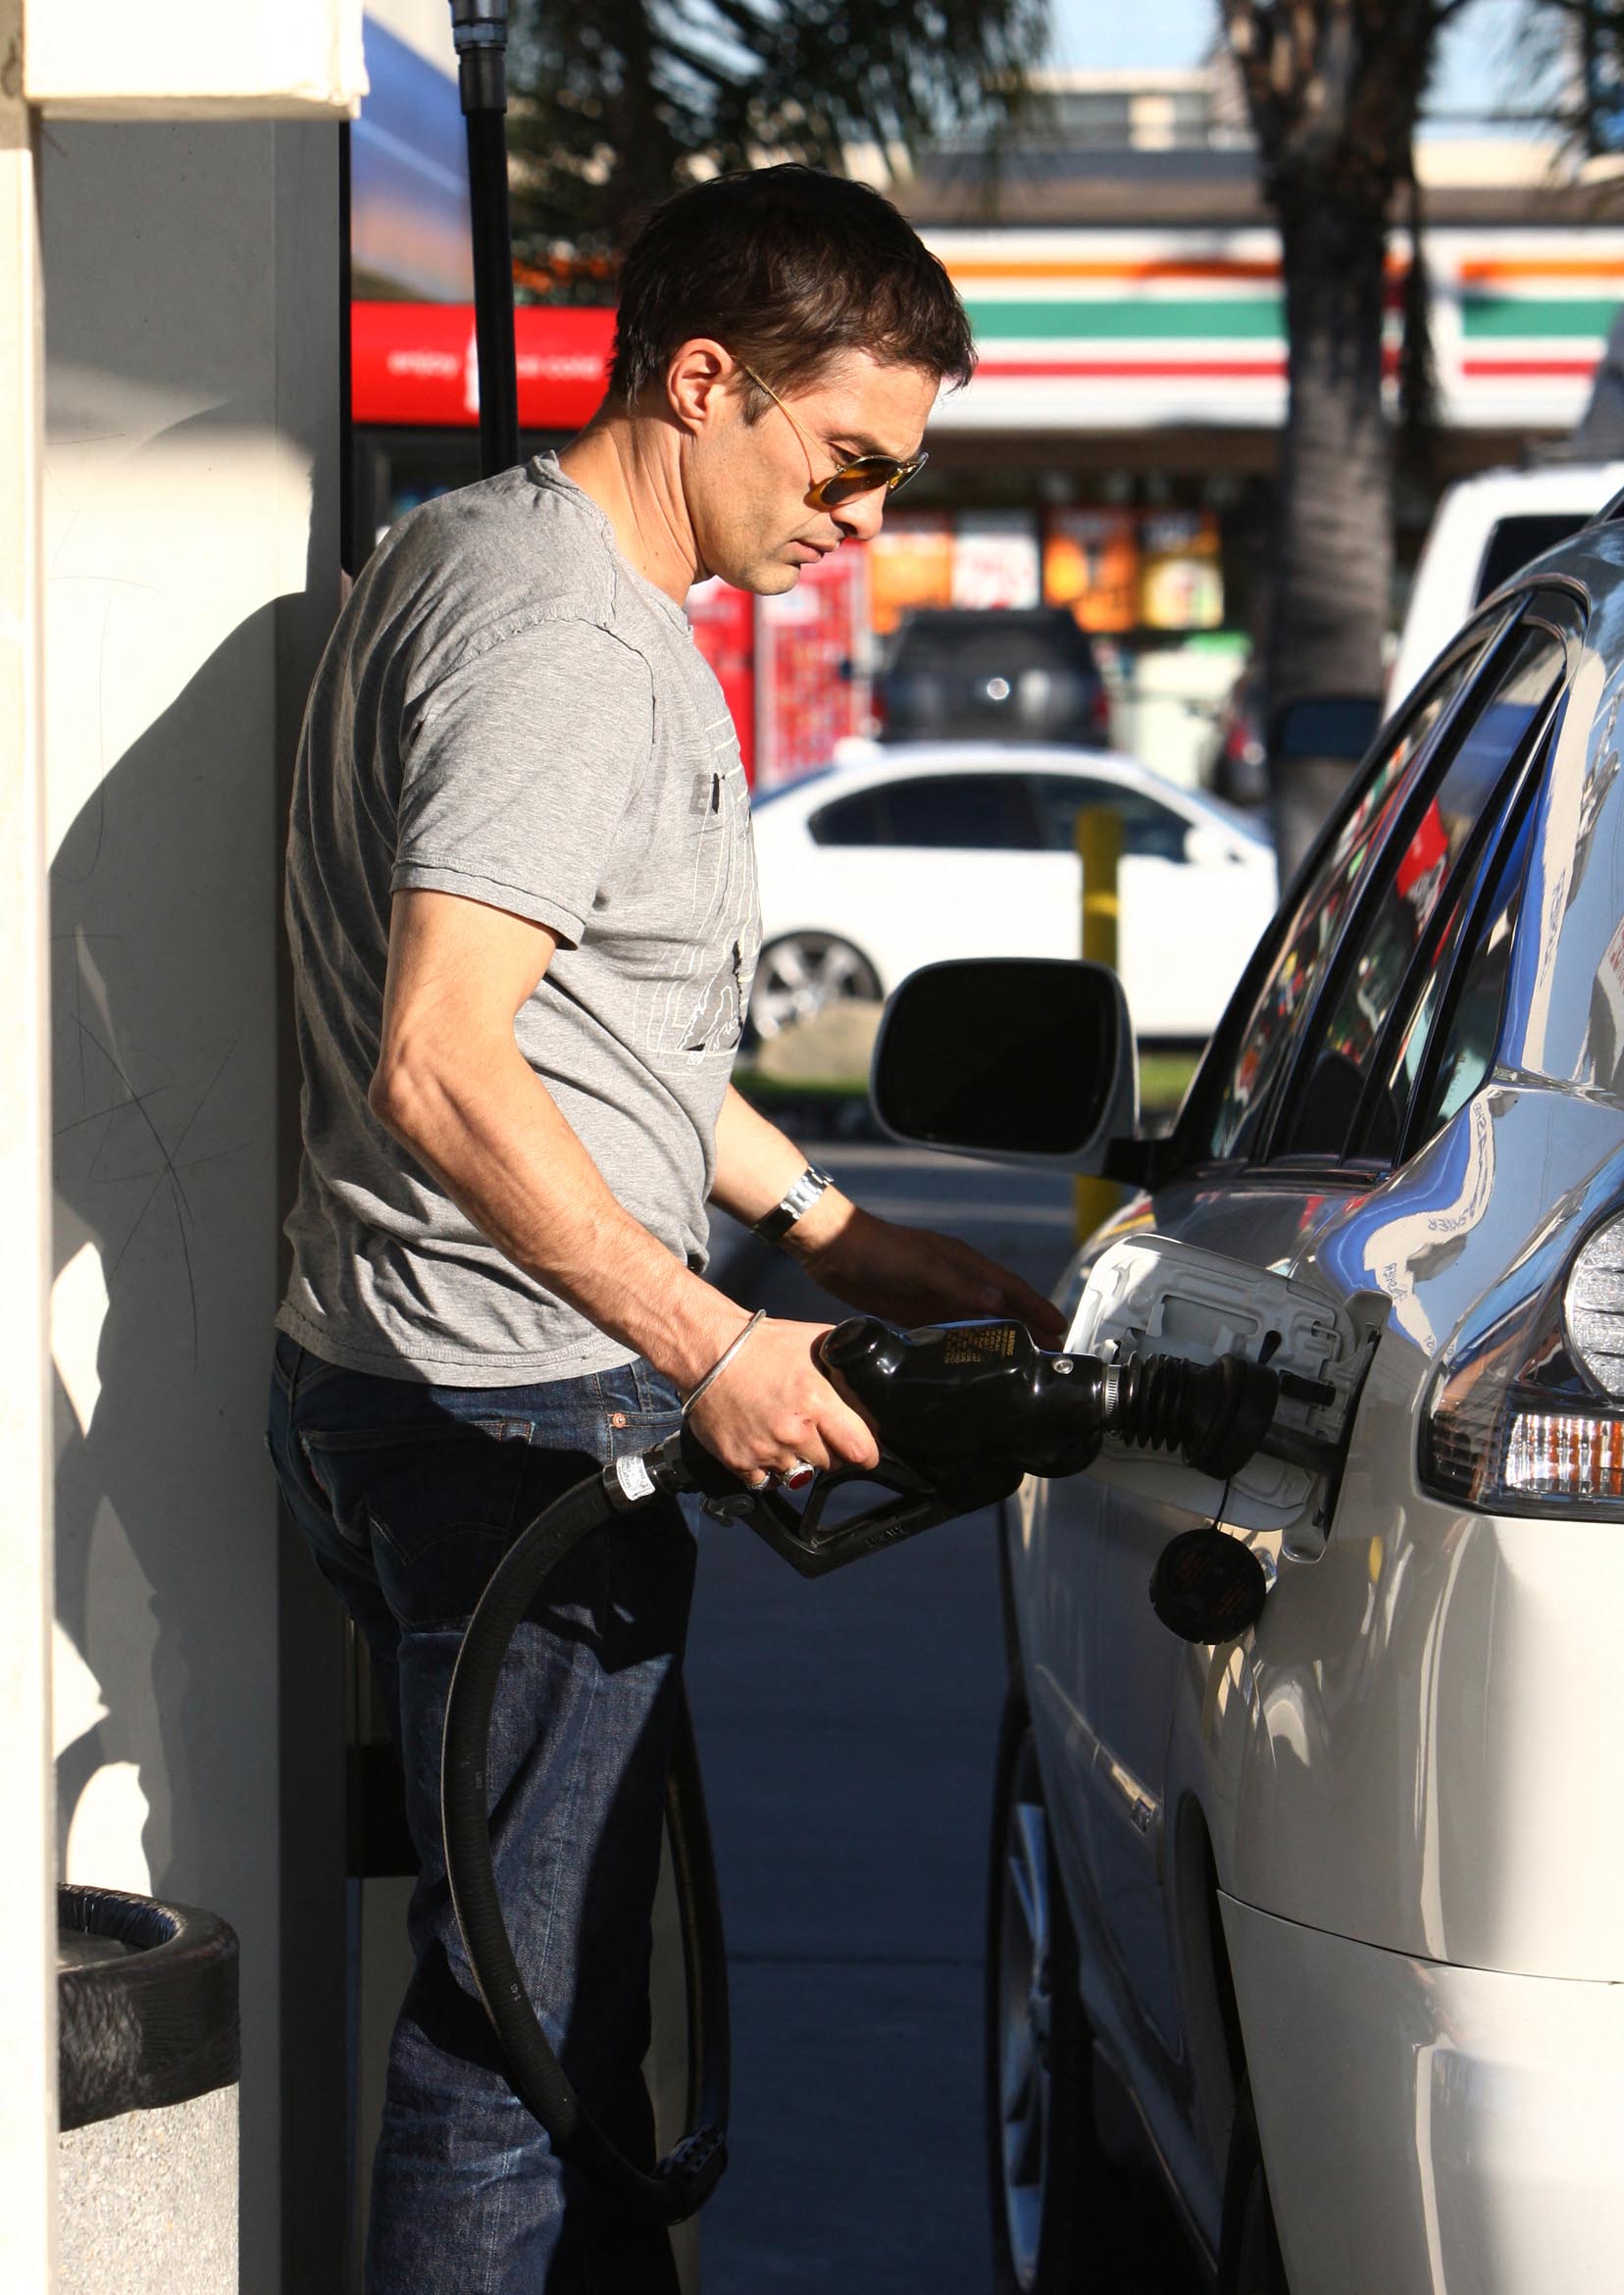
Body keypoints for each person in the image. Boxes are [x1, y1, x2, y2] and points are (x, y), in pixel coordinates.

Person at [265, 164, 1062, 2294]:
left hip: (443, 1375)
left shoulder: (498, 563)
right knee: (514, 2045)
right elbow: (443, 1057)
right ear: (703, 379)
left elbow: (587, 1028)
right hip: (514, 1410)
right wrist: (710, 1346)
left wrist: (823, 1220)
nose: (863, 524)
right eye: (847, 463)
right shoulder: (564, 645)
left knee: (574, 2005)